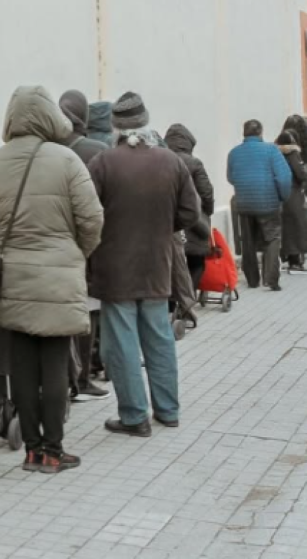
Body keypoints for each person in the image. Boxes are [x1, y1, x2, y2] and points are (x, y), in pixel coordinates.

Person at [0, 85, 104, 473]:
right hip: (60, 275)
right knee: (55, 363)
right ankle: (54, 448)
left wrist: (8, 243)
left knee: (22, 367)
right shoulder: (67, 161)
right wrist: (76, 251)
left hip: (14, 275)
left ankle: (32, 449)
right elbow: (92, 219)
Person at [86, 92, 200, 437]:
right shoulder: (171, 162)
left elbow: (89, 214)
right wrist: (163, 228)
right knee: (159, 338)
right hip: (156, 264)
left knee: (121, 343)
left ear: (115, 128)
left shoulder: (103, 163)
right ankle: (168, 410)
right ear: (146, 122)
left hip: (115, 268)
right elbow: (190, 212)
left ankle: (135, 416)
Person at [59, 89, 112, 401]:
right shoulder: (97, 149)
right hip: (91, 241)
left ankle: (67, 375)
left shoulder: (47, 148)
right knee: (88, 309)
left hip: (56, 241)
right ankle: (83, 375)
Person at [227, 120, 292, 291]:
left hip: (244, 203)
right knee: (272, 239)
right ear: (261, 133)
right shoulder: (271, 150)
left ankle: (252, 279)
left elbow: (230, 177)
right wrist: (282, 197)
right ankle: (270, 278)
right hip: (268, 202)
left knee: (247, 240)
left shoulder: (234, 153)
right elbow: (284, 177)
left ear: (244, 133)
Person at [164, 124, 215, 288]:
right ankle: (188, 300)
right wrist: (207, 212)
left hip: (169, 220)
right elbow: (206, 192)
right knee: (196, 261)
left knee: (171, 263)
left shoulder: (161, 160)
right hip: (193, 220)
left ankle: (173, 303)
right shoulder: (194, 163)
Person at [275, 129, 307, 273]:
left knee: (285, 228)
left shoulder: (275, 154)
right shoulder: (293, 153)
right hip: (294, 194)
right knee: (298, 227)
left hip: (278, 195)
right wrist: (305, 170)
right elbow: (300, 174)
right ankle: (295, 262)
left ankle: (285, 258)